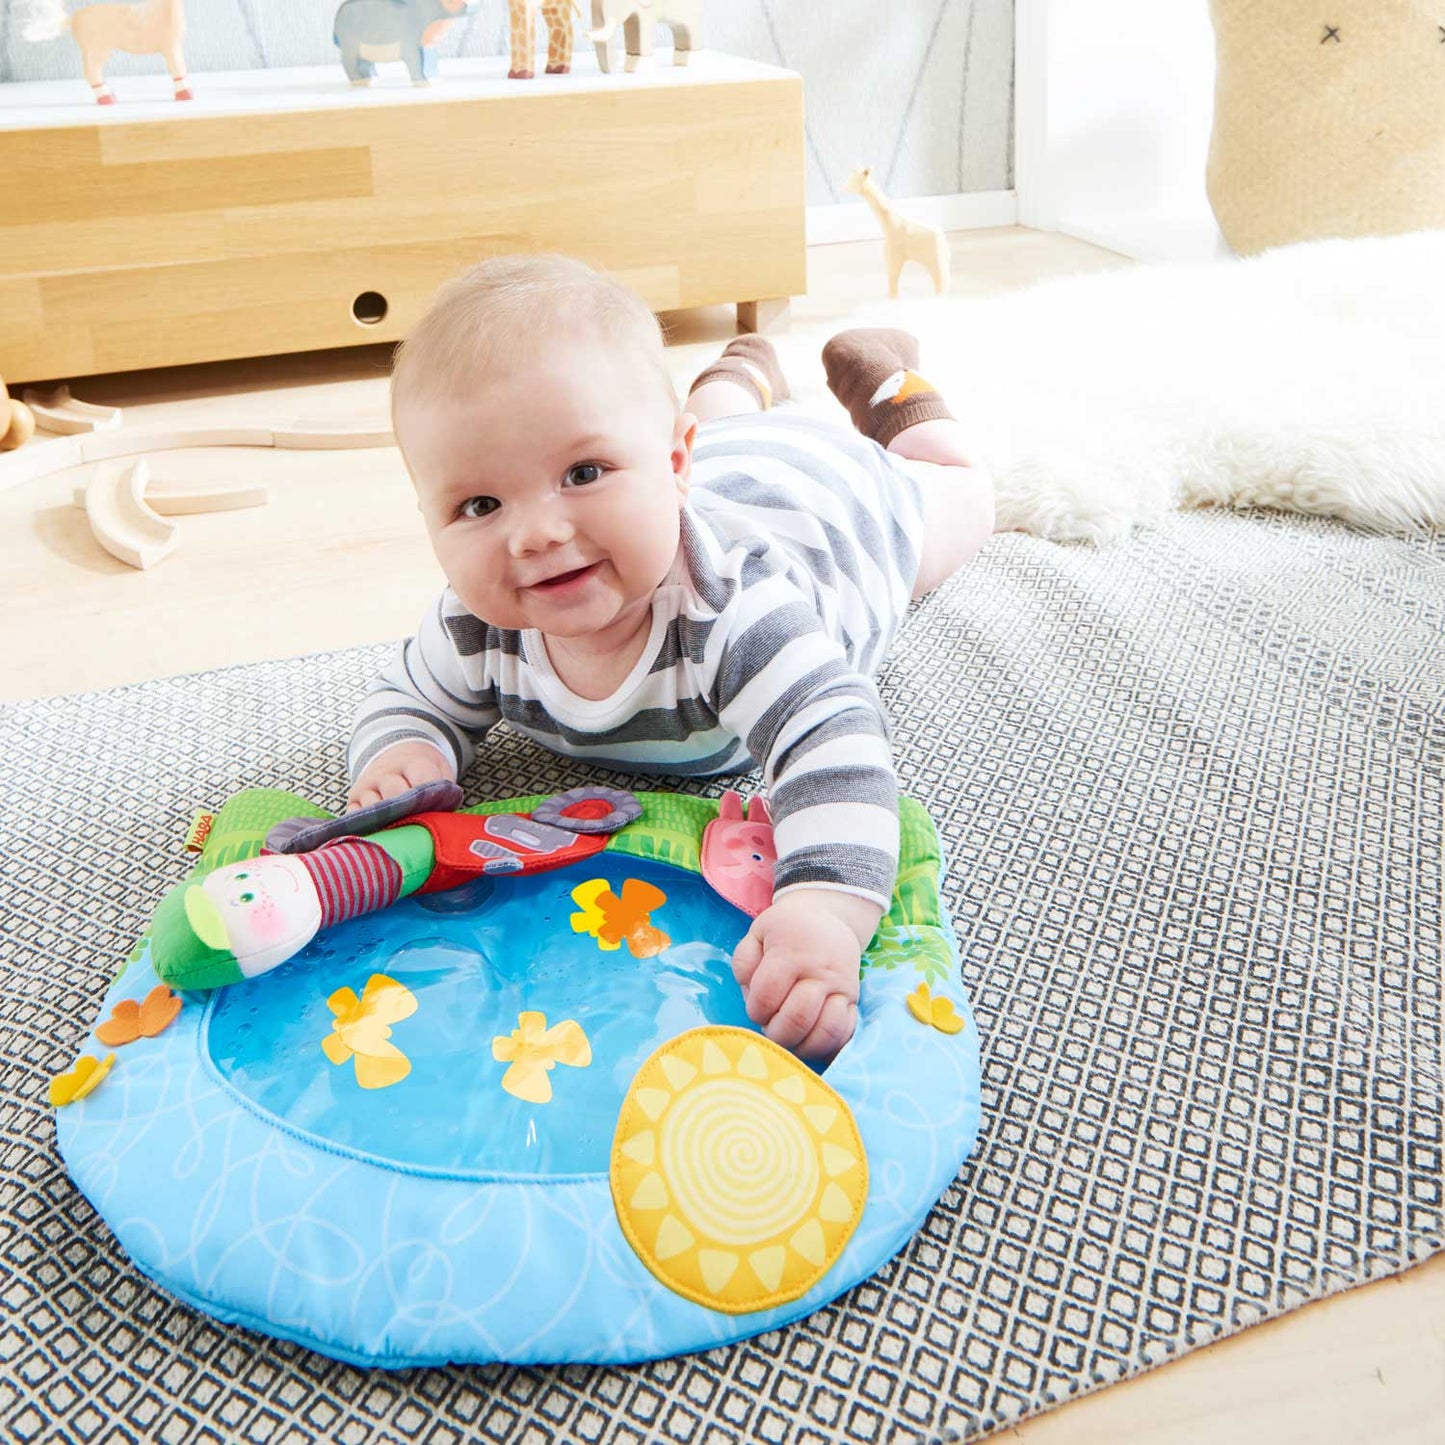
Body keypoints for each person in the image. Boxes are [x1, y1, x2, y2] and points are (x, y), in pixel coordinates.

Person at [347, 253, 994, 1060]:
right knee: (707, 430)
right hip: (716, 454)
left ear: (671, 466)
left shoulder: (733, 611)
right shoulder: (476, 626)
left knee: (963, 488)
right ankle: (740, 374)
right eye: (479, 504)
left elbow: (832, 738)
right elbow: (408, 696)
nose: (536, 533)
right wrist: (405, 750)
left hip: (838, 505)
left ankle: (888, 383)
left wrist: (824, 907)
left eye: (582, 473)